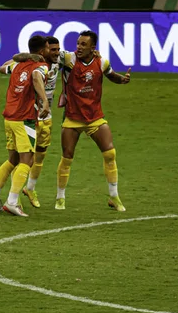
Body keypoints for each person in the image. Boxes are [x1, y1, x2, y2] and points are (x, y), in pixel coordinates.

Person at [55, 30, 131, 211]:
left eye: (83, 44)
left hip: (95, 117)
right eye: (78, 43)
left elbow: (111, 75)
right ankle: (60, 197)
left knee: (110, 154)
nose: (79, 47)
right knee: (67, 158)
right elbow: (45, 55)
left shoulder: (101, 62)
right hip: (73, 118)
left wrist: (123, 80)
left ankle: (114, 196)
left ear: (93, 48)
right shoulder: (68, 59)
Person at [0, 35, 50, 217]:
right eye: (46, 48)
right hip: (24, 118)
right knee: (27, 160)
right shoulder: (41, 66)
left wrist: (22, 57)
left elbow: (2, 67)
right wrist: (45, 101)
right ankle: (12, 201)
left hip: (9, 118)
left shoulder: (17, 65)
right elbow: (36, 78)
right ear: (42, 50)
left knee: (13, 159)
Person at [12, 36, 62, 208]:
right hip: (29, 116)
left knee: (40, 154)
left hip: (46, 117)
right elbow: (10, 62)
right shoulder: (34, 64)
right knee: (24, 158)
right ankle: (14, 196)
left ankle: (30, 188)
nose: (56, 53)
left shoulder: (59, 60)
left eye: (57, 50)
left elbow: (79, 56)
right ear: (44, 50)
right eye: (52, 49)